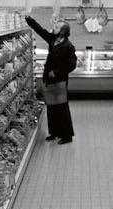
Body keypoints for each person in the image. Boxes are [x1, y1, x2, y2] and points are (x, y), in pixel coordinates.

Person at [25, 15, 77, 145]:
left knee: (61, 107)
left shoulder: (68, 46)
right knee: (51, 107)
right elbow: (41, 30)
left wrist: (57, 71)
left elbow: (71, 65)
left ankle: (67, 135)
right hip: (48, 79)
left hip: (59, 80)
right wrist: (29, 20)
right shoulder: (53, 39)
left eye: (58, 27)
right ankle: (54, 133)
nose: (55, 27)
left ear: (63, 31)